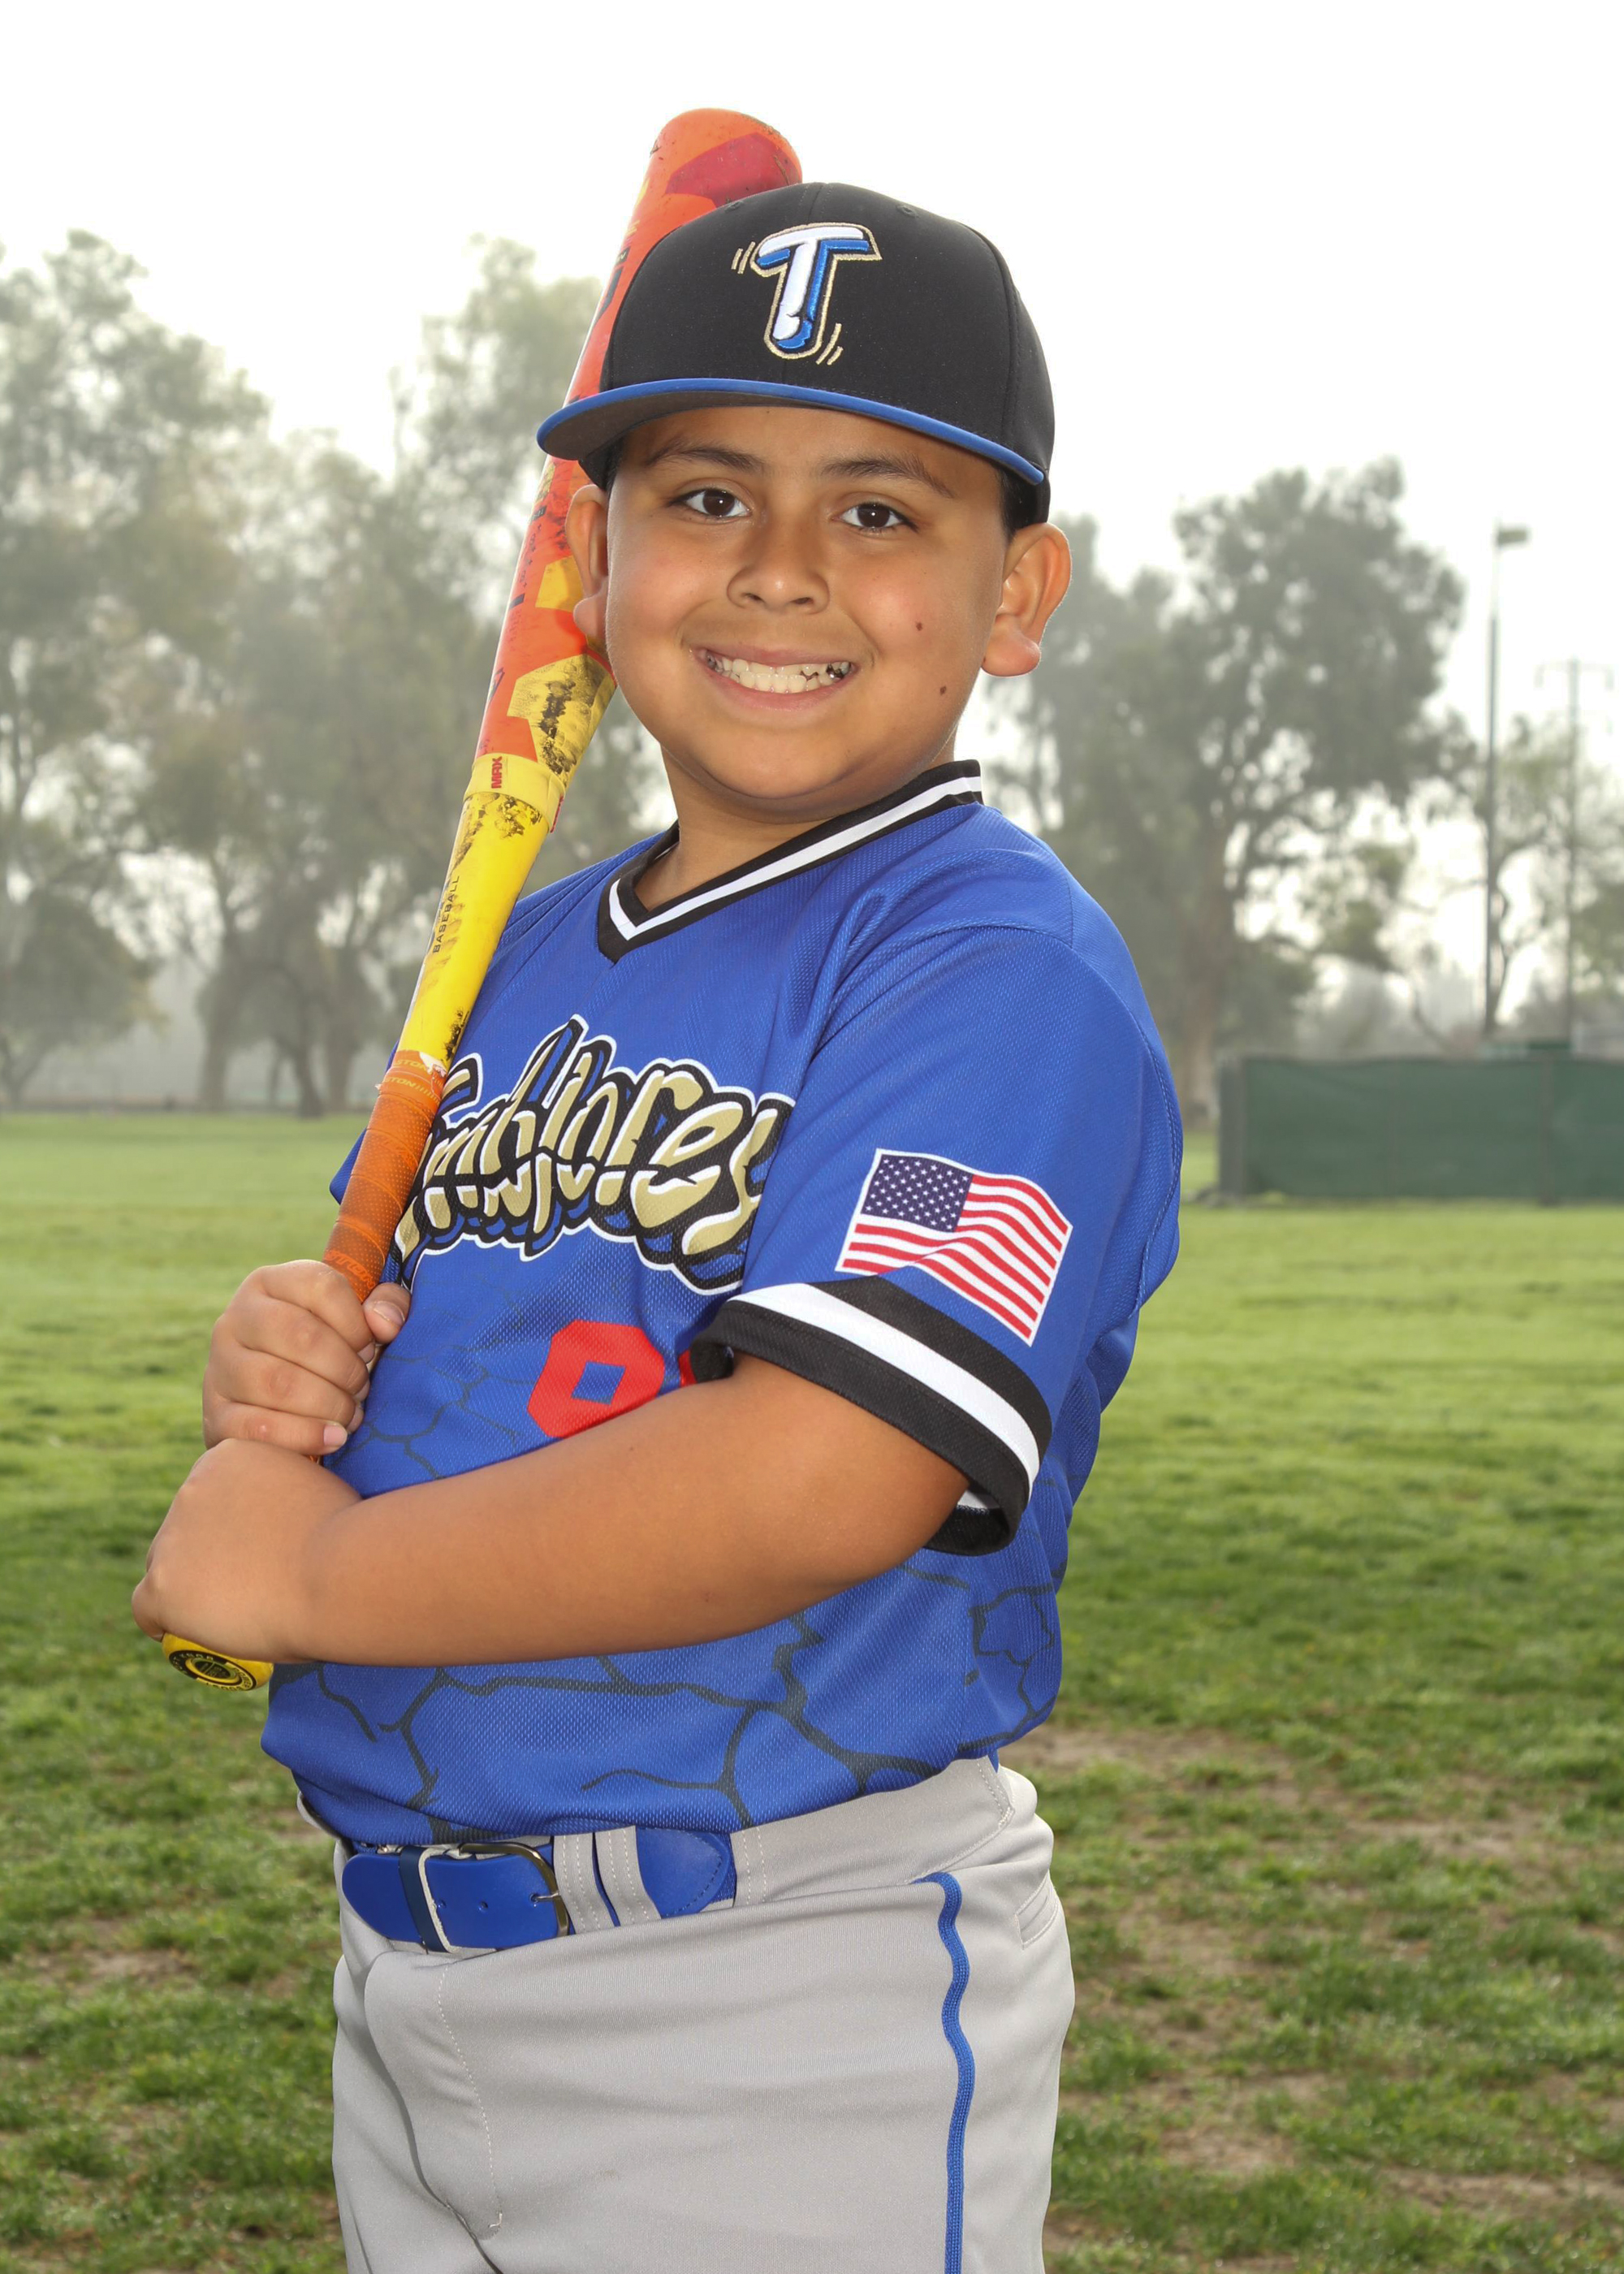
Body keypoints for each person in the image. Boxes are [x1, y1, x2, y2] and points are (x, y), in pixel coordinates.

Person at [134, 180, 1181, 2274]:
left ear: (1017, 593)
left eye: (877, 511)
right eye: (705, 496)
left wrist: (316, 1572)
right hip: (411, 1968)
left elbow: (824, 1469)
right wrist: (293, 1360)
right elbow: (440, 1341)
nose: (782, 565)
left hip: (776, 1985)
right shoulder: (522, 957)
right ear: (594, 565)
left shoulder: (988, 966)